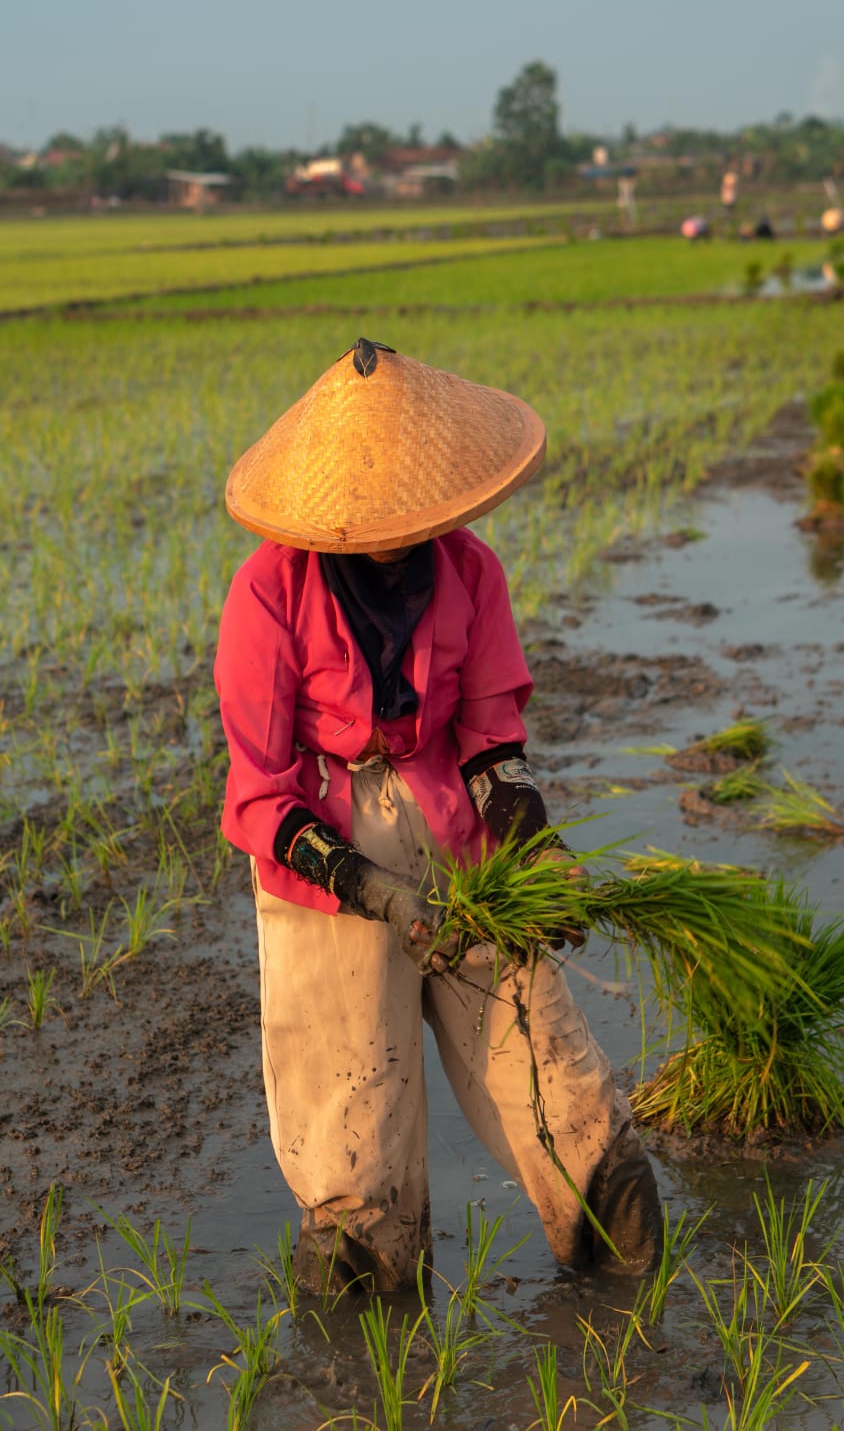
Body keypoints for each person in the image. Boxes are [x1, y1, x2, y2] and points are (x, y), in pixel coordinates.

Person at [214, 338, 662, 1292]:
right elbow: (261, 792)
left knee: (545, 1051)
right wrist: (373, 891)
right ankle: (374, 1331)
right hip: (325, 856)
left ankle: (620, 1270)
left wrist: (538, 853)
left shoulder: (469, 571)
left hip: (454, 829)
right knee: (356, 1117)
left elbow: (494, 741)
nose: (396, 528)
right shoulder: (267, 593)